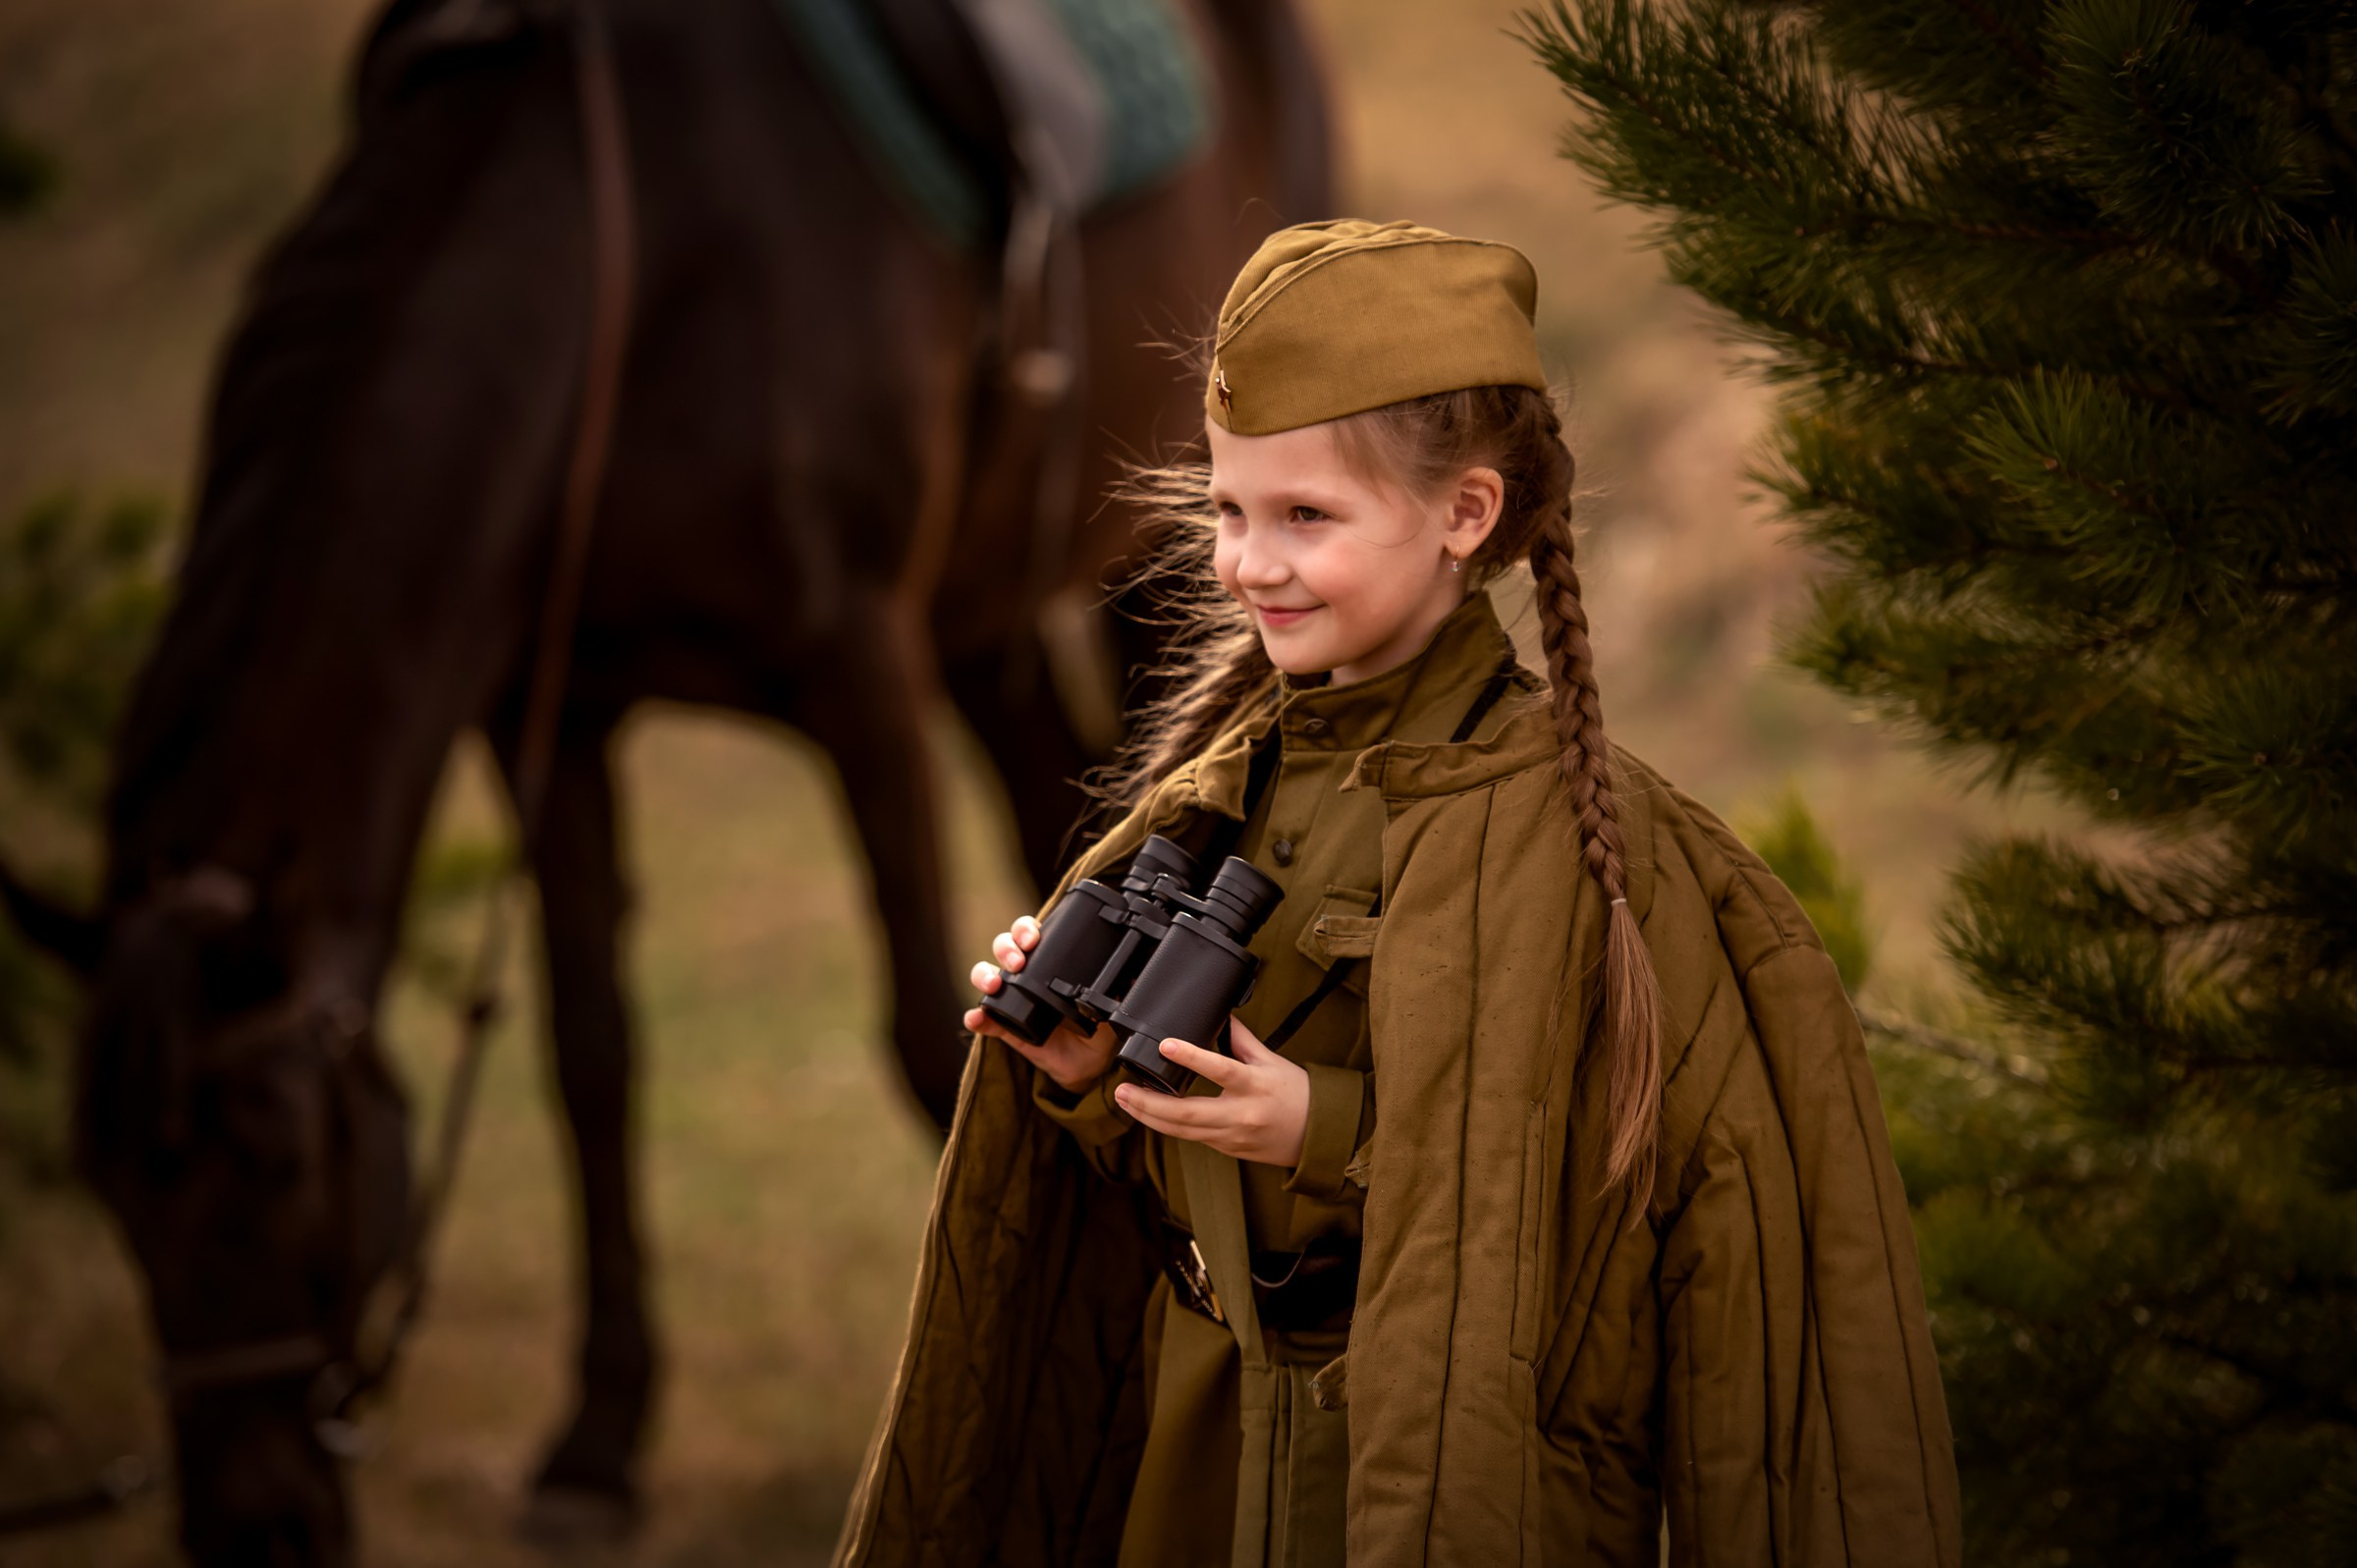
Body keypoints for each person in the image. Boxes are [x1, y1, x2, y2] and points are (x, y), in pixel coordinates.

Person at [833, 219, 1961, 1568]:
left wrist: (1322, 1129)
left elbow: (1606, 1235)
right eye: (1230, 509)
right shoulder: (1218, 798)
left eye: (1306, 517)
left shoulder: (1606, 856)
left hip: (1403, 1483)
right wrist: (1089, 1083)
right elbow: (1165, 1196)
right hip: (1188, 1457)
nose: (1249, 563)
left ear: (1465, 514)